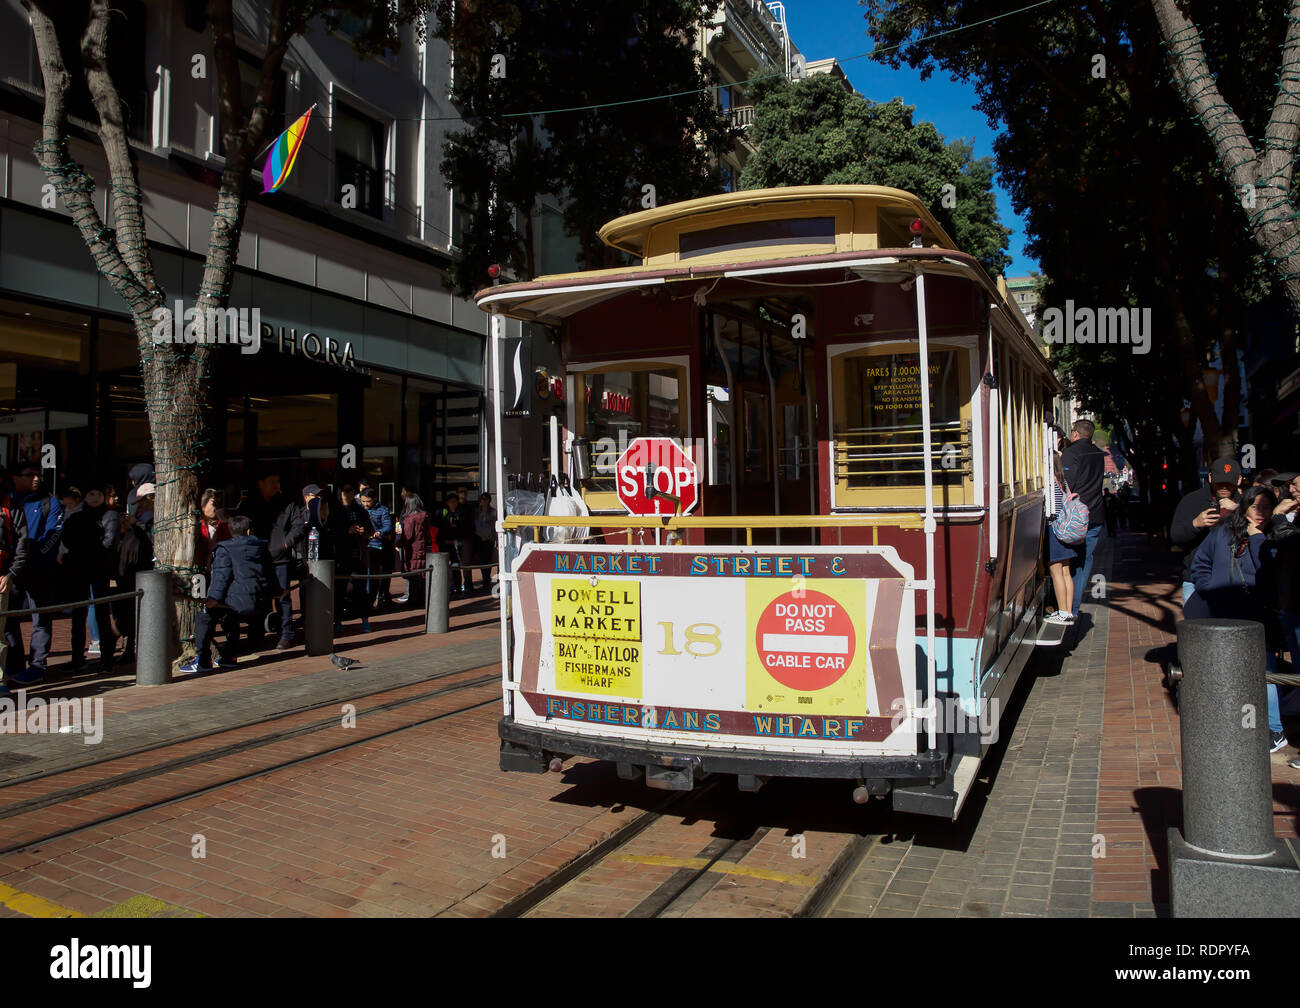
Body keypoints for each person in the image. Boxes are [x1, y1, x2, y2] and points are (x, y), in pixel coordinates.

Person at [1189, 484, 1297, 753]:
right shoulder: (1222, 533)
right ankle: (1241, 723)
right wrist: (1208, 588)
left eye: (1267, 508)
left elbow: (1269, 573)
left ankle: (1274, 729)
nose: (1260, 513)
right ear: (1245, 506)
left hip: (1259, 614)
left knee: (1265, 672)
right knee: (1232, 671)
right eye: (1255, 507)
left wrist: (1258, 538)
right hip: (1224, 611)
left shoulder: (1275, 537)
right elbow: (1200, 562)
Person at [182, 515, 284, 674]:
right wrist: (278, 592)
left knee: (205, 616)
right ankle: (229, 656)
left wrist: (213, 598)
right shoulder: (262, 546)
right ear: (249, 531)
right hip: (260, 601)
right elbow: (271, 573)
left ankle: (202, 659)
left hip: (238, 600)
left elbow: (221, 577)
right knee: (229, 616)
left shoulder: (225, 548)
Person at [5, 460, 64, 686]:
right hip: (13, 571)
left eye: (38, 474)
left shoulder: (50, 503)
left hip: (40, 570)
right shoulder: (8, 501)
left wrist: (34, 555)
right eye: (30, 475)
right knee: (9, 619)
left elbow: (53, 534)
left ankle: (37, 666)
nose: (36, 478)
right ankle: (14, 665)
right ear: (16, 477)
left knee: (41, 619)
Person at [236, 470, 303, 649]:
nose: (276, 485)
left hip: (280, 558)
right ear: (260, 483)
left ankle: (286, 634)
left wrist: (286, 544)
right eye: (271, 481)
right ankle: (256, 634)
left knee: (283, 597)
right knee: (258, 598)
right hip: (256, 559)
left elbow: (299, 526)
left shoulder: (287, 503)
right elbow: (239, 525)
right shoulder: (249, 504)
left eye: (277, 481)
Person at [58, 482, 119, 674]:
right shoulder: (75, 515)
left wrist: (88, 550)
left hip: (99, 568)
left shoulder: (109, 515)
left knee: (102, 613)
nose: (93, 497)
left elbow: (109, 542)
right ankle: (77, 658)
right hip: (78, 569)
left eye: (97, 493)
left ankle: (106, 659)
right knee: (77, 614)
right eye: (90, 493)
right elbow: (65, 537)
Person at [1171, 456, 1242, 608]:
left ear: (1239, 481)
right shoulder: (1192, 501)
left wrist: (1238, 510)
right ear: (1210, 478)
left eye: (1228, 483)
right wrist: (1196, 524)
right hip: (1196, 579)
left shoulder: (1245, 504)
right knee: (1196, 628)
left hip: (1235, 580)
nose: (1224, 487)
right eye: (1219, 482)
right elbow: (1175, 536)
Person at [1060, 420, 1106, 617]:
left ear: (1076, 433)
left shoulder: (1071, 453)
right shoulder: (1098, 454)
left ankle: (1069, 609)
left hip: (1075, 518)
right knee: (1084, 563)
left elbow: (1066, 485)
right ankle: (1074, 609)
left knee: (1068, 565)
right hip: (1095, 515)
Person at [116, 482, 156, 662]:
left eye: (143, 500)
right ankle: (129, 645)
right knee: (128, 610)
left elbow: (151, 539)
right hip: (130, 567)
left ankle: (137, 647)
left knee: (140, 610)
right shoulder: (139, 514)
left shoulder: (155, 517)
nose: (139, 504)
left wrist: (136, 524)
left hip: (144, 568)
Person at [1043, 449, 1076, 625]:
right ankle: (1069, 611)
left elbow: (1050, 511)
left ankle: (1062, 612)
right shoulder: (1062, 480)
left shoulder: (1050, 482)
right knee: (1065, 572)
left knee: (1055, 571)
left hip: (1054, 530)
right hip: (1066, 531)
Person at [0, 465, 25, 694]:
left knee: (0, 635)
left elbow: (21, 544)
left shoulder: (11, 506)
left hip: (1, 578)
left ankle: (0, 681)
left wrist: (10, 574)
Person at [357, 488, 392, 632]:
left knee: (373, 577)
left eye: (368, 502)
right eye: (363, 501)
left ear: (375, 499)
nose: (365, 504)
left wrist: (379, 533)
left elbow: (387, 526)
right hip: (362, 546)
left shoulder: (382, 510)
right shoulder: (359, 509)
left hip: (376, 546)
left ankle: (372, 600)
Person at [399, 494, 432, 607]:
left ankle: (413, 600)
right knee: (422, 575)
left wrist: (398, 540)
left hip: (412, 550)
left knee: (413, 576)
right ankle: (422, 599)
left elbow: (407, 536)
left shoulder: (409, 519)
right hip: (422, 548)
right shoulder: (425, 516)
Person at [474, 492, 498, 590]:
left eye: (486, 499)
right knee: (481, 559)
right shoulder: (476, 511)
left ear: (489, 500)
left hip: (489, 539)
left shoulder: (493, 511)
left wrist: (490, 537)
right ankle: (484, 578)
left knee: (487, 559)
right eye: (482, 499)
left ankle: (486, 579)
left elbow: (493, 526)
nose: (484, 501)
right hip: (478, 538)